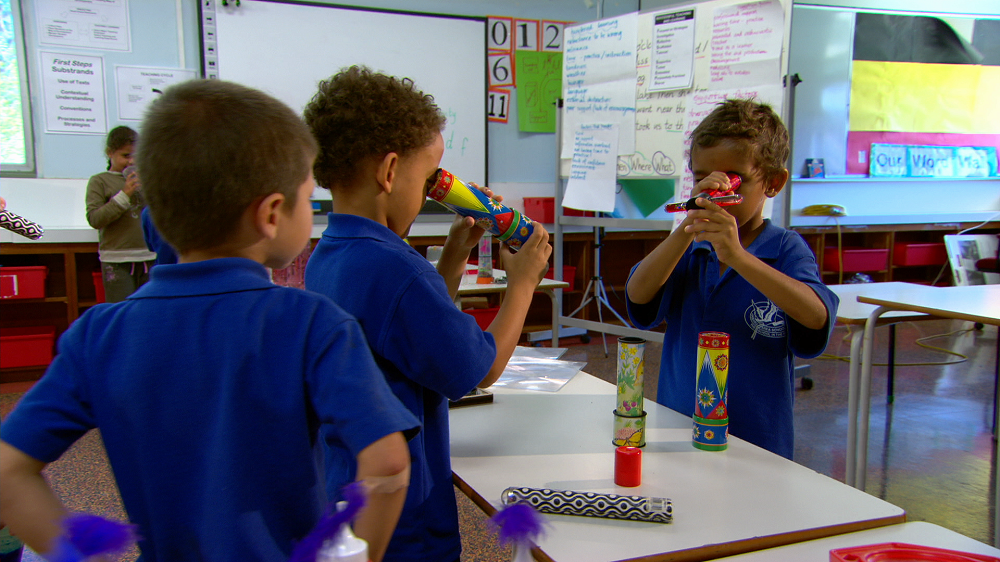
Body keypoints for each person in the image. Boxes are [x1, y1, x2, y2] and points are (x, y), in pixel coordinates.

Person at [0, 79, 419, 562]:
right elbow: (387, 463)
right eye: (309, 198)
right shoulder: (311, 322)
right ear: (271, 214)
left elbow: (10, 472)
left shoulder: (98, 333)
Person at [302, 65, 551, 562]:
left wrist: (455, 255)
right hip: (406, 517)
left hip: (348, 484)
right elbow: (476, 369)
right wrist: (523, 284)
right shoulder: (397, 268)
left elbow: (411, 331)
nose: (431, 190)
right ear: (390, 172)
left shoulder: (331, 253)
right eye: (427, 177)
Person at [625, 98, 839, 459]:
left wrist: (738, 257)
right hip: (678, 430)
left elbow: (817, 316)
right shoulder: (688, 250)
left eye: (733, 182)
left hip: (756, 443)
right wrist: (686, 228)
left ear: (773, 182)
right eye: (701, 179)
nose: (716, 194)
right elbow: (638, 293)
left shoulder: (784, 249)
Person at [85, 126, 157, 302]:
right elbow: (95, 219)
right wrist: (124, 195)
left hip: (149, 258)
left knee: (148, 311)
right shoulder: (100, 181)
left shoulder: (147, 179)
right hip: (117, 261)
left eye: (136, 156)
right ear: (110, 153)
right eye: (126, 156)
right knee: (121, 311)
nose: (132, 161)